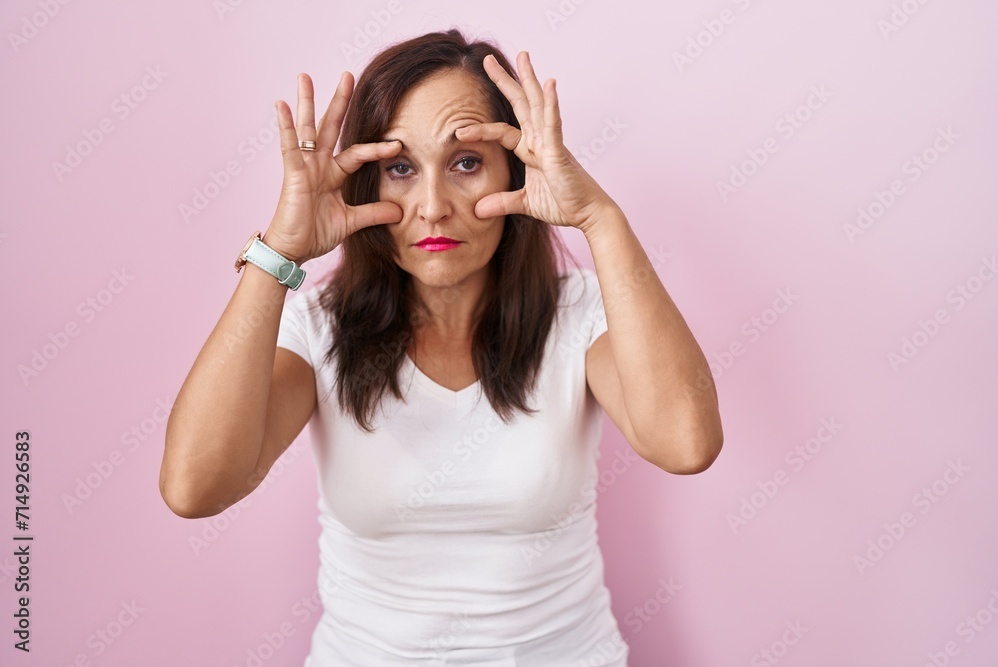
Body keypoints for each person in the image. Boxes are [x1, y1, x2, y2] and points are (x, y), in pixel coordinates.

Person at [160, 28, 723, 666]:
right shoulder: (318, 327)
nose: (432, 206)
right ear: (368, 183)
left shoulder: (580, 312)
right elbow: (193, 487)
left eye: (465, 163)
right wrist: (277, 254)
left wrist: (599, 217)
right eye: (400, 169)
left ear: (515, 168)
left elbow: (685, 443)